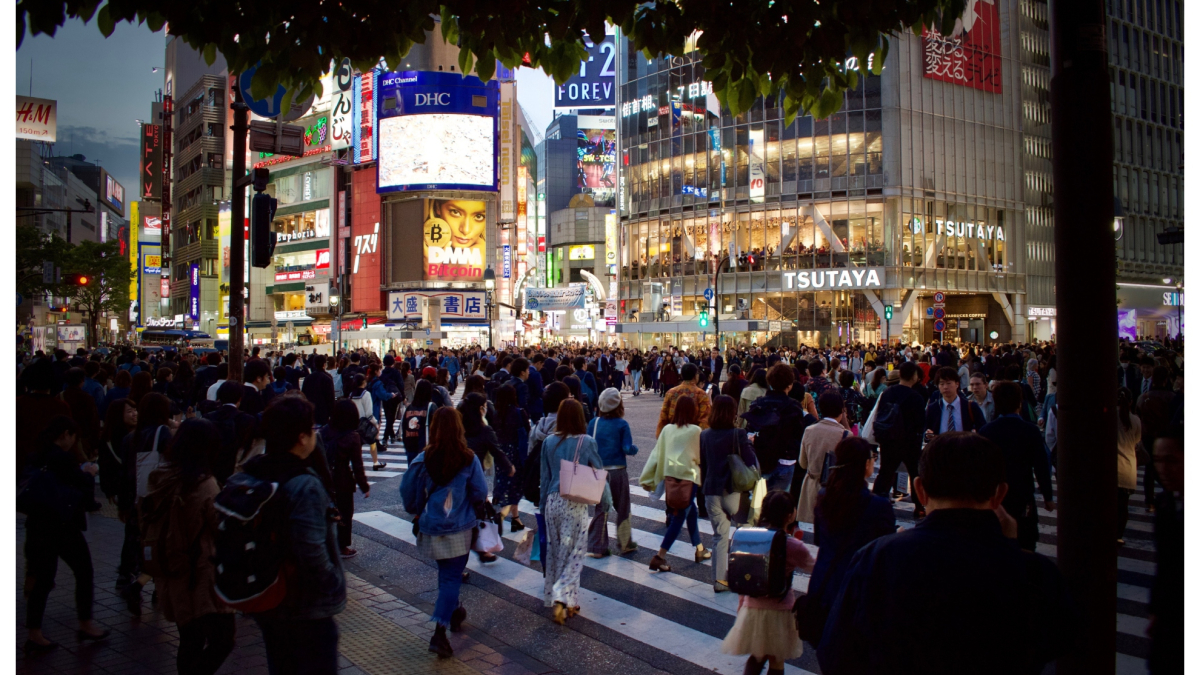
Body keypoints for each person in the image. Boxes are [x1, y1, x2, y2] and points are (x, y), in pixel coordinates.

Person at [817, 432, 1075, 674]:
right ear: (999, 495)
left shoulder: (879, 559)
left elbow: (836, 654)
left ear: (920, 490)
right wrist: (1008, 548)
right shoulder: (1037, 575)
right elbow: (1056, 643)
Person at [241, 396, 345, 674]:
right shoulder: (303, 483)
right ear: (301, 438)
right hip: (305, 603)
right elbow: (311, 550)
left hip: (268, 592)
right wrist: (332, 581)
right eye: (311, 429)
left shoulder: (253, 472)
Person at [140, 418, 236, 675]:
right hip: (201, 574)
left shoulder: (160, 478)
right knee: (223, 640)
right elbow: (220, 528)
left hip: (172, 570)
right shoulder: (204, 484)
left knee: (190, 639)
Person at [400, 406, 488, 652]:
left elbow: (408, 496)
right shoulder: (468, 458)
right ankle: (440, 631)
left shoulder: (422, 459)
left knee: (446, 576)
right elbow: (480, 492)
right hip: (459, 528)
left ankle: (455, 610)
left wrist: (419, 509)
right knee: (451, 577)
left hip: (431, 528)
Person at [22, 416, 110, 654]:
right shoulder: (62, 458)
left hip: (38, 523)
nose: (74, 441)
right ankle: (86, 624)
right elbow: (80, 485)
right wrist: (90, 472)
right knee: (84, 571)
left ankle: (35, 634)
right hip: (62, 525)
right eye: (73, 436)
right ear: (66, 434)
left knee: (42, 579)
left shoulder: (37, 455)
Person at [802, 438, 895, 648]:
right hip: (860, 589)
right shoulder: (878, 506)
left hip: (824, 583)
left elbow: (819, 539)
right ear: (865, 464)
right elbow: (884, 552)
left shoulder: (824, 496)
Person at [720, 491, 816, 675]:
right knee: (776, 660)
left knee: (756, 657)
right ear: (790, 515)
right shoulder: (792, 545)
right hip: (780, 610)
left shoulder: (752, 538)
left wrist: (742, 605)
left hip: (753, 609)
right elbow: (814, 567)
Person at [539, 399, 609, 624]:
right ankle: (562, 595)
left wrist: (542, 507)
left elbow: (545, 476)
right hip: (574, 504)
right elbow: (599, 472)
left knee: (557, 551)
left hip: (552, 501)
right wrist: (605, 502)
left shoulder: (548, 441)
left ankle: (565, 599)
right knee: (575, 553)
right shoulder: (586, 441)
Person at [977, 382, 1055, 551]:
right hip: (1023, 493)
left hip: (995, 496)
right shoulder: (1030, 431)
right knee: (1025, 540)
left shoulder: (986, 431)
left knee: (996, 542)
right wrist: (1047, 496)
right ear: (1020, 403)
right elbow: (1041, 465)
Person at [641, 396, 708, 573]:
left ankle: (700, 548)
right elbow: (700, 456)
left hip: (671, 478)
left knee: (688, 510)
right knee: (680, 516)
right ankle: (659, 556)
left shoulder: (667, 430)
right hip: (689, 478)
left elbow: (656, 454)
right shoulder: (696, 431)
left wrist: (647, 478)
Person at [699, 394, 757, 592]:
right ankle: (743, 574)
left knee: (719, 537)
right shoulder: (738, 434)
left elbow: (704, 466)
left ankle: (719, 581)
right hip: (733, 490)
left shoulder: (704, 435)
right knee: (745, 529)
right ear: (732, 413)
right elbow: (751, 462)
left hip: (711, 490)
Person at [742, 364, 815, 494]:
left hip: (762, 458)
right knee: (780, 499)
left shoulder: (759, 404)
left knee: (759, 500)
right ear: (790, 385)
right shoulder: (794, 406)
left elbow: (750, 429)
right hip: (786, 458)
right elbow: (798, 433)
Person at [870, 362, 928, 517]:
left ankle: (876, 503)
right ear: (915, 376)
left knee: (885, 472)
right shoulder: (916, 397)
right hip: (910, 442)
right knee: (915, 473)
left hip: (889, 439)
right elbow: (920, 423)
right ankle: (919, 505)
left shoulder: (888, 393)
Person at [586, 388, 639, 557]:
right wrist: (633, 449)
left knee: (601, 509)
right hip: (617, 472)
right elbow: (626, 448)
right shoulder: (622, 424)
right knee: (623, 508)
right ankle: (625, 543)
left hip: (599, 472)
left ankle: (597, 547)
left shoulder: (593, 423)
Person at [1148, 424, 1183, 674]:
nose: (1163, 469)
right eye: (1158, 460)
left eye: (1171, 460)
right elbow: (1165, 564)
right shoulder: (1165, 502)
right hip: (1171, 614)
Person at [320, 400, 370, 558]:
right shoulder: (352, 437)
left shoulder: (324, 432)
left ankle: (325, 543)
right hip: (343, 480)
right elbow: (357, 466)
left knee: (326, 512)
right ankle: (342, 547)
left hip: (324, 478)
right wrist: (364, 486)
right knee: (345, 514)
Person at [796, 392, 851, 523]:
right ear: (841, 410)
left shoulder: (809, 430)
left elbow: (803, 463)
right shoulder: (845, 435)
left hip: (812, 486)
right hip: (835, 490)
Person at [493, 385, 531, 532]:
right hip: (516, 453)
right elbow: (527, 433)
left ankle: (509, 516)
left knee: (502, 484)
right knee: (516, 486)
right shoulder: (519, 412)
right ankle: (508, 516)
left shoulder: (496, 414)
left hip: (501, 453)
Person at [923, 366, 987, 442]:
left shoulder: (970, 406)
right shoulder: (933, 408)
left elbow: (983, 431)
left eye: (949, 383)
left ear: (957, 384)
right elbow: (926, 433)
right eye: (941, 384)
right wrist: (928, 435)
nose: (945, 387)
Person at [656, 362, 713, 437]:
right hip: (693, 437)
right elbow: (704, 418)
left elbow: (664, 416)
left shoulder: (671, 392)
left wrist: (661, 435)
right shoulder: (701, 394)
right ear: (695, 376)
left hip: (673, 435)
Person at [1116, 387, 1142, 545]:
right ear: (1131, 402)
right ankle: (1118, 535)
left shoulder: (1108, 415)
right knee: (1122, 506)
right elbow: (1137, 442)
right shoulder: (1135, 420)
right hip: (1127, 468)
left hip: (1110, 469)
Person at [98, 398, 136, 505]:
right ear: (118, 414)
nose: (135, 414)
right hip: (126, 487)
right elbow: (105, 467)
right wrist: (109, 490)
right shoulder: (110, 440)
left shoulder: (137, 435)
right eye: (129, 411)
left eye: (135, 410)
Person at [348, 374, 386, 471]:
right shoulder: (366, 394)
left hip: (353, 423)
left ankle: (355, 465)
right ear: (364, 382)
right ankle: (375, 462)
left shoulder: (351, 394)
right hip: (365, 423)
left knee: (357, 445)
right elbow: (369, 412)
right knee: (372, 442)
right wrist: (374, 422)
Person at [402, 379, 437, 465]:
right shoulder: (431, 406)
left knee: (413, 472)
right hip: (425, 446)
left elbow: (404, 425)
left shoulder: (409, 407)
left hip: (410, 445)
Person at [302, 354, 337, 426]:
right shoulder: (327, 378)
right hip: (323, 411)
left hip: (310, 410)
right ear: (324, 364)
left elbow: (303, 394)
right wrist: (332, 414)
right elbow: (330, 397)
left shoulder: (308, 378)